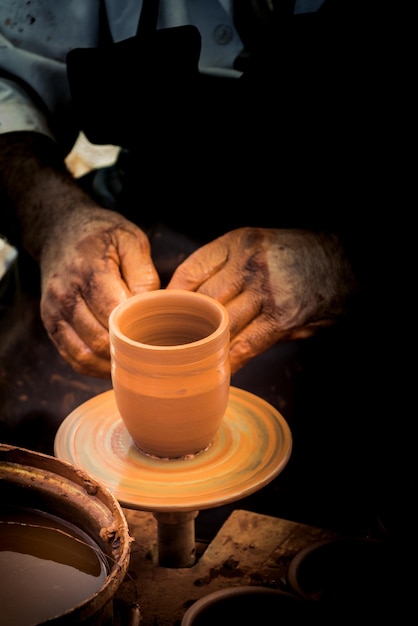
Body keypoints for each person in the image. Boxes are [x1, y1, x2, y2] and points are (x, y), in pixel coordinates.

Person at [0, 0, 413, 544]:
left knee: (341, 483)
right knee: (26, 452)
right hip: (144, 212)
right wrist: (53, 217)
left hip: (365, 246)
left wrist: (351, 260)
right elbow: (9, 83)